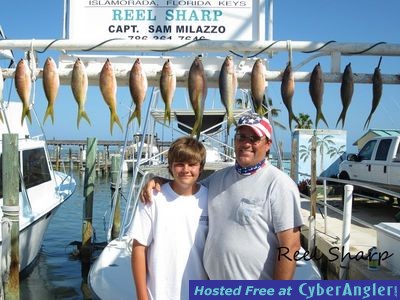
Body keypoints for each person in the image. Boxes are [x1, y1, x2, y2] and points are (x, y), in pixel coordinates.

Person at [141, 112, 303, 280]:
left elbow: (290, 246)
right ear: (235, 140)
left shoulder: (279, 184)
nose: (246, 143)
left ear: (267, 144)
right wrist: (160, 180)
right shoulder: (218, 178)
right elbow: (186, 189)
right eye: (241, 136)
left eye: (254, 138)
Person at [130, 136, 208, 300]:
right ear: (170, 168)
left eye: (192, 164)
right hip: (159, 293)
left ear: (201, 168)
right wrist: (142, 296)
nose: (186, 169)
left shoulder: (211, 198)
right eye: (180, 164)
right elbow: (138, 248)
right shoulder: (153, 197)